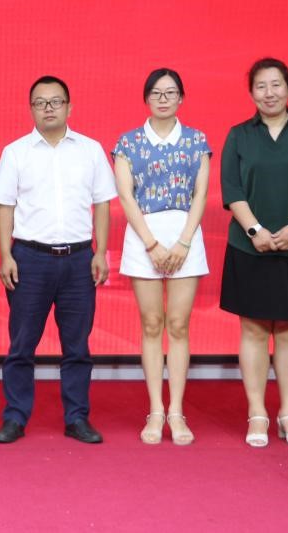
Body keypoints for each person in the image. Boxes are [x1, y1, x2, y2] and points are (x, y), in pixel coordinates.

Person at [0, 76, 117, 445]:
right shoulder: (16, 152)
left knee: (77, 346)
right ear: (31, 108)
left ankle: (77, 417)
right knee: (21, 345)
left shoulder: (90, 150)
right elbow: (5, 207)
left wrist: (100, 251)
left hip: (79, 260)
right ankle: (15, 417)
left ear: (69, 107)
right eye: (40, 102)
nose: (48, 108)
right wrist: (6, 255)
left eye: (56, 101)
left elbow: (102, 203)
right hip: (30, 258)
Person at [219, 57, 288, 448]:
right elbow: (232, 189)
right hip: (248, 247)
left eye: (276, 84)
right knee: (252, 329)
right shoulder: (239, 135)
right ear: (251, 93)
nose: (269, 93)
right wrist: (255, 231)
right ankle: (257, 413)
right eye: (261, 86)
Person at [112, 68, 211, 445]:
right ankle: (155, 410)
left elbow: (201, 194)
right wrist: (152, 244)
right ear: (146, 98)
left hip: (186, 234)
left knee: (179, 325)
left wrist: (183, 242)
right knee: (152, 324)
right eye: (156, 92)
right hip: (144, 236)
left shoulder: (197, 140)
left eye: (170, 93)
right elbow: (126, 197)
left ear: (181, 98)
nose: (163, 99)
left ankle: (177, 412)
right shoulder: (128, 142)